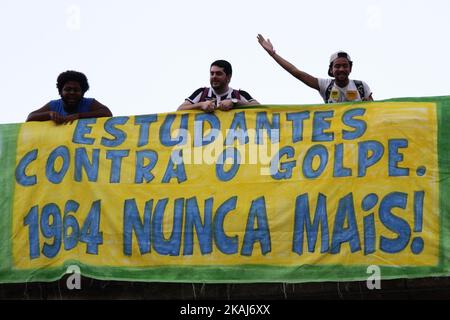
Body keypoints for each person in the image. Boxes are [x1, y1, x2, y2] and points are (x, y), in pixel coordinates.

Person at [257, 34, 373, 104]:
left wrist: (369, 105)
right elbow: (295, 72)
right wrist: (273, 54)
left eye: (345, 65)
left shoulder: (361, 87)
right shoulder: (325, 85)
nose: (341, 69)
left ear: (350, 68)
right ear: (331, 70)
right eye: (337, 66)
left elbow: (375, 111)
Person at [26, 70, 112, 124]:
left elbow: (107, 113)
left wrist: (78, 116)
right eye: (68, 89)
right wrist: (49, 114)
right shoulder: (54, 105)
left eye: (76, 90)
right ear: (60, 92)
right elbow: (30, 118)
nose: (72, 92)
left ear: (82, 93)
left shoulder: (89, 103)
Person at [178, 60, 259, 113]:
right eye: (212, 73)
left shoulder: (240, 94)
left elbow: (258, 107)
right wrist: (201, 105)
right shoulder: (202, 92)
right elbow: (180, 109)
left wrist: (235, 102)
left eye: (218, 73)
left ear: (228, 77)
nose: (214, 76)